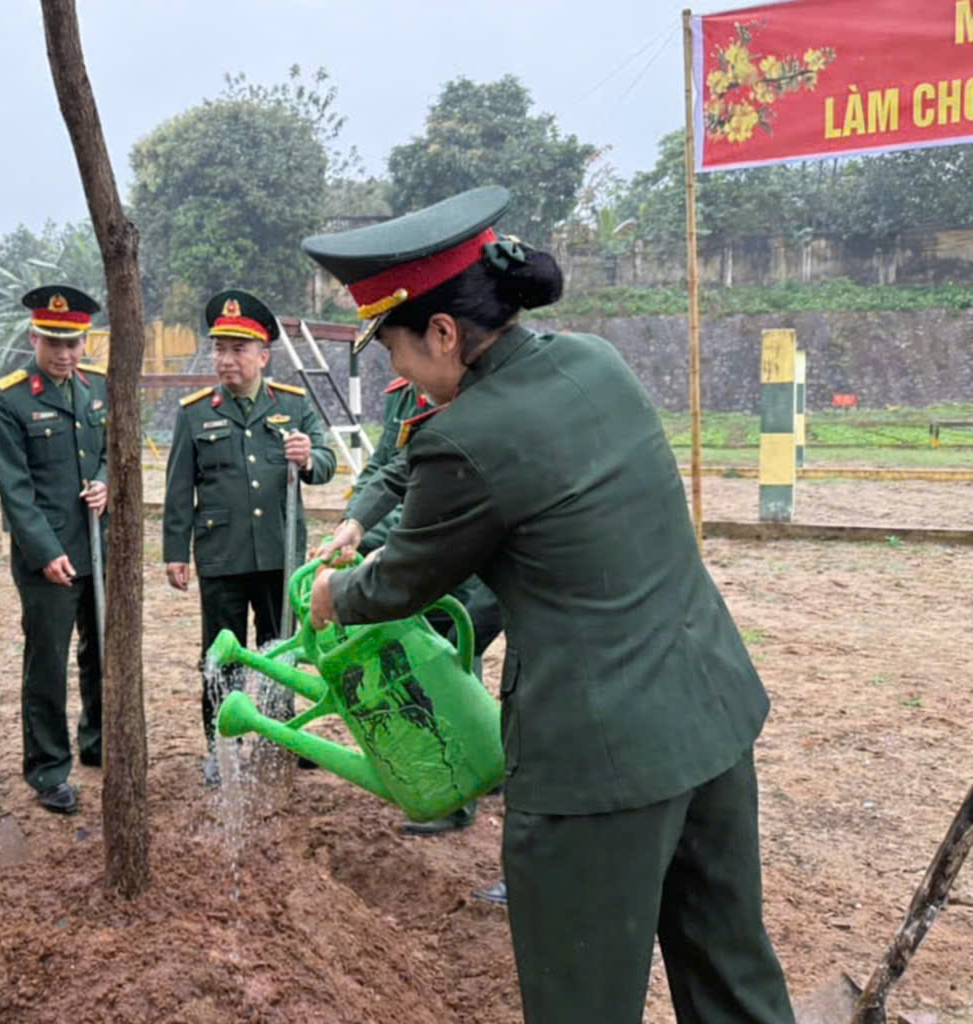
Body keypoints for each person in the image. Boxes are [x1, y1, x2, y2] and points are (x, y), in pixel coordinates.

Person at [303, 186, 794, 1022]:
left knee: (580, 1000)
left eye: (392, 348)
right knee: (730, 976)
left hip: (597, 766)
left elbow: (398, 585)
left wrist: (331, 594)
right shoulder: (595, 359)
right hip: (709, 714)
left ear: (445, 333)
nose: (393, 371)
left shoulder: (465, 435)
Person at [161, 289, 335, 785]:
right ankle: (222, 743)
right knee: (221, 653)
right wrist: (176, 552)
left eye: (238, 349)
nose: (226, 359)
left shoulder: (294, 407)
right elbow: (179, 488)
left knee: (281, 649)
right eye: (220, 348)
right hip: (222, 555)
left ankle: (283, 734)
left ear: (263, 355)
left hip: (279, 552)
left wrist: (308, 458)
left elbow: (324, 465)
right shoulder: (195, 412)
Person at [344, 372, 504, 840]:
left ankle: (461, 793)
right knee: (415, 668)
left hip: (454, 544)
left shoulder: (474, 388)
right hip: (407, 544)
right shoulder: (401, 395)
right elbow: (386, 465)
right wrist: (353, 522)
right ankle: (460, 773)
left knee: (457, 662)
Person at [0, 285, 108, 814]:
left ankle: (99, 741)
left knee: (102, 650)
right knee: (48, 661)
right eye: (53, 342)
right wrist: (43, 551)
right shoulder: (8, 399)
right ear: (33, 337)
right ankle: (48, 767)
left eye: (74, 343)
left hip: (99, 547)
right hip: (48, 556)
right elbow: (14, 488)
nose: (63, 354)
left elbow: (112, 451)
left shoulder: (99, 387)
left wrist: (108, 483)